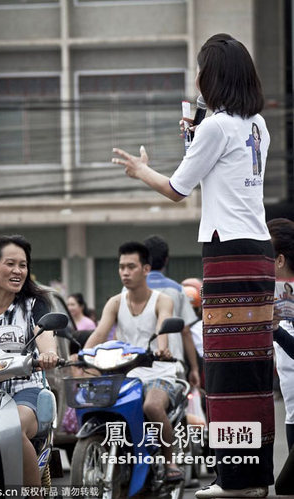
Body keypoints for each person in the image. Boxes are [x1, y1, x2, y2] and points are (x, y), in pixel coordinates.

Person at [112, 33, 274, 498]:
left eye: (200, 68)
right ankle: (252, 478)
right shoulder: (256, 124)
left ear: (213, 75)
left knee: (224, 370)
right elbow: (218, 172)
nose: (196, 76)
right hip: (257, 252)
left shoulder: (216, 126)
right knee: (252, 367)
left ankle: (234, 481)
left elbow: (179, 188)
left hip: (228, 255)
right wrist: (194, 134)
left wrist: (142, 171)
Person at [0, 235, 59, 490]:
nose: (18, 271)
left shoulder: (34, 303)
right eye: (10, 264)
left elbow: (45, 333)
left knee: (11, 427)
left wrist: (47, 354)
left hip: (25, 390)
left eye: (23, 265)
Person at [84, 241, 183, 482]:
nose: (125, 273)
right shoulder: (115, 302)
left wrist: (162, 350)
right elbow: (100, 333)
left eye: (131, 267)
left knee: (152, 407)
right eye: (121, 267)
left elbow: (163, 329)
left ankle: (170, 461)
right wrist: (82, 354)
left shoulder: (162, 300)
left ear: (146, 269)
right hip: (126, 374)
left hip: (159, 371)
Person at [143, 235, 200, 386]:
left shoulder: (128, 289)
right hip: (172, 362)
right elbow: (186, 331)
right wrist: (194, 368)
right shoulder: (177, 289)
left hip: (138, 364)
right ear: (166, 260)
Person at [267, 218, 294, 495]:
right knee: (286, 487)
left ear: (279, 259)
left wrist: (275, 330)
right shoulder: (271, 295)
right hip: (292, 410)